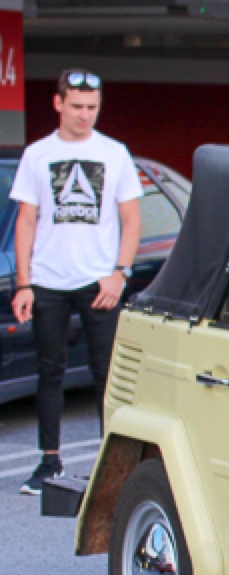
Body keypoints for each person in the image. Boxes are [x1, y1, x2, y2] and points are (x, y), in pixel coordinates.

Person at [10, 69, 143, 496]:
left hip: (99, 281)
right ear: (58, 104)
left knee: (107, 375)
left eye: (92, 108)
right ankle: (49, 461)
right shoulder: (37, 154)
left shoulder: (114, 153)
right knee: (50, 372)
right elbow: (26, 220)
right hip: (48, 281)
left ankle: (111, 466)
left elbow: (131, 219)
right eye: (77, 107)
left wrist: (119, 273)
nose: (85, 115)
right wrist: (24, 284)